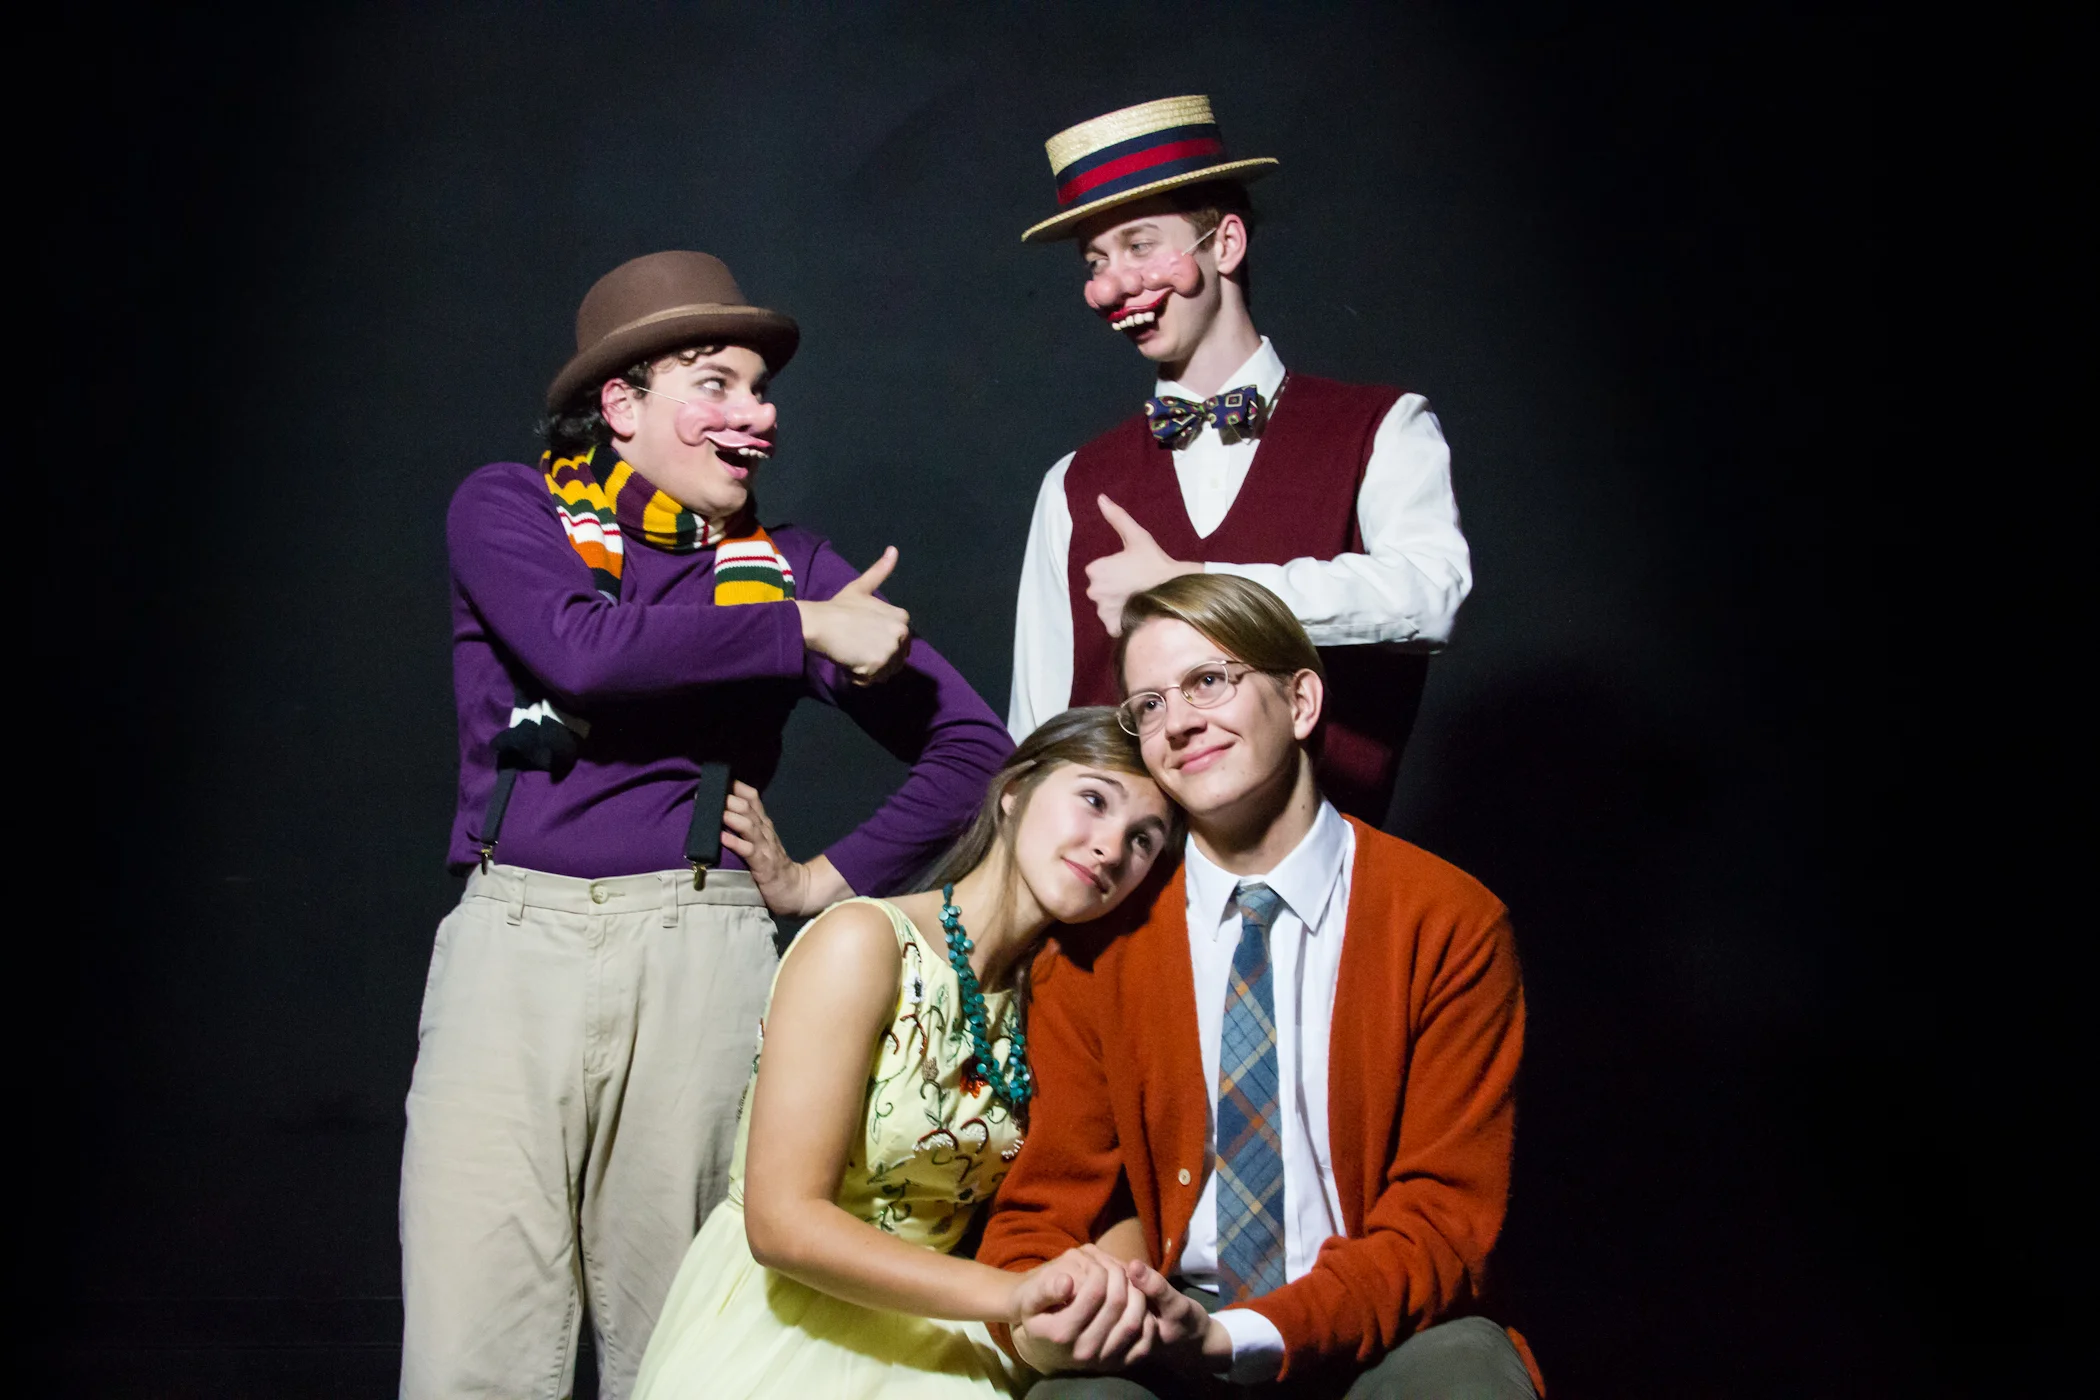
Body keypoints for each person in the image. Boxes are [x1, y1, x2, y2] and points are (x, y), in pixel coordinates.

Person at [399, 250, 1013, 1400]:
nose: (757, 413)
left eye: (761, 389)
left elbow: (980, 753)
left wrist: (825, 881)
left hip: (701, 955)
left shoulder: (791, 566)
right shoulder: (510, 506)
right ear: (622, 405)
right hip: (508, 953)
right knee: (468, 1356)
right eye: (715, 382)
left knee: (686, 1358)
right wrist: (802, 628)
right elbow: (581, 648)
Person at [980, 574, 1544, 1398]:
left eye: (1208, 681)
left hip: (1390, 1322)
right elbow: (1045, 1208)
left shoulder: (1450, 922)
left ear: (1301, 701)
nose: (1178, 722)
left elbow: (1445, 1224)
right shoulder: (1099, 946)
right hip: (1171, 1317)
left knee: (1465, 1380)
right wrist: (1045, 1308)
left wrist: (1238, 1335)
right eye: (1147, 705)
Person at [630, 707, 1181, 1398]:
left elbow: (1095, 1185)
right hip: (787, 1326)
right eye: (1094, 800)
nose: (1109, 848)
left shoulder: (1061, 997)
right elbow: (781, 1224)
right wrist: (1011, 1295)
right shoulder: (865, 941)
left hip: (942, 1338)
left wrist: (1111, 1291)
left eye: (1142, 839)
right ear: (1014, 792)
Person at [1008, 95, 1473, 825]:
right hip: (1132, 889)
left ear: (1224, 244)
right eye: (1095, 262)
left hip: (1336, 868)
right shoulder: (1072, 484)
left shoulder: (1382, 427)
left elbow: (1430, 594)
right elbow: (1035, 734)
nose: (1110, 287)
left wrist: (1194, 585)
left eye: (1138, 245)